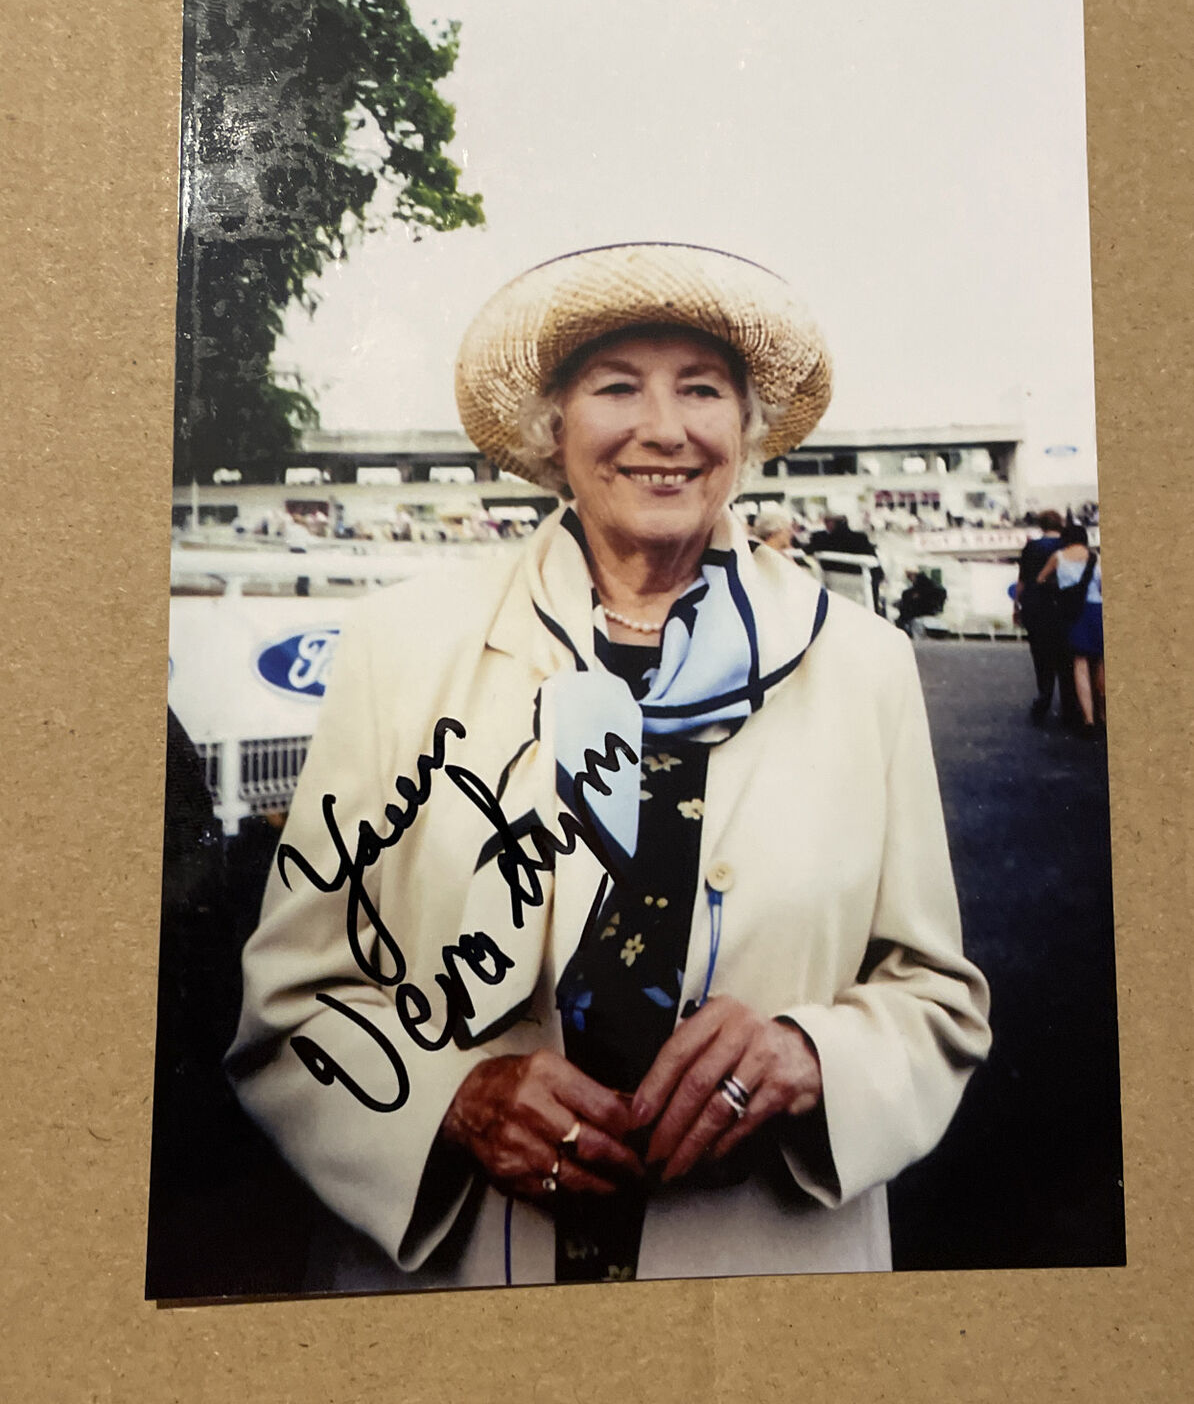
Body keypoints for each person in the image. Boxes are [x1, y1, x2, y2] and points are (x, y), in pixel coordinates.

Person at [226, 242, 991, 1291]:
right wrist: (449, 1096)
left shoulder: (862, 665)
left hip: (761, 1277)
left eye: (703, 390)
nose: (664, 429)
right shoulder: (401, 649)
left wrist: (815, 1056)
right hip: (457, 1290)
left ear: (745, 430)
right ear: (556, 428)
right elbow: (291, 1002)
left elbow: (935, 997)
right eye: (617, 386)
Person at [1036, 523, 1105, 738]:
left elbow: (1041, 580)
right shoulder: (1095, 557)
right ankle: (1104, 714)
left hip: (1074, 613)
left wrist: (1061, 589)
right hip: (1097, 609)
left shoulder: (1058, 556)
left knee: (1080, 664)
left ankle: (1089, 720)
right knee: (1101, 663)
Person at [1013, 510, 1077, 726]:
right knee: (1065, 657)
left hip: (1035, 606)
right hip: (1060, 605)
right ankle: (1070, 705)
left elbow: (1022, 579)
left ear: (1041, 525)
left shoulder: (1031, 547)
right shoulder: (1065, 546)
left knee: (1041, 657)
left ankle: (1044, 699)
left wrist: (1017, 605)